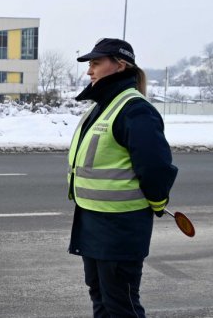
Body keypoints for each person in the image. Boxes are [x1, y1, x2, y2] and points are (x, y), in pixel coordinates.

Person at [67, 38, 178, 317]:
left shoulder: (134, 109)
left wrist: (157, 201)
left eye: (95, 63)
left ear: (119, 65)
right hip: (93, 222)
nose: (89, 71)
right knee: (101, 300)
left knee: (120, 305)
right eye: (89, 64)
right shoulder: (101, 106)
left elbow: (156, 168)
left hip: (119, 228)